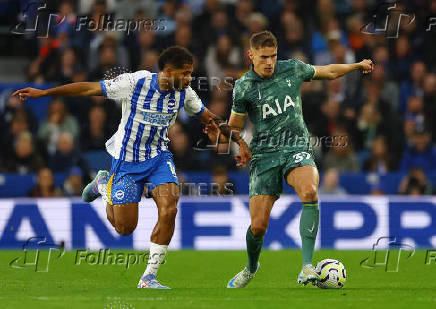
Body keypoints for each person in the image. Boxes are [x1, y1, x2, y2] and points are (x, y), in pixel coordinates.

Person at [13, 45, 251, 289]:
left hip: (159, 158)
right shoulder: (135, 82)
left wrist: (240, 142)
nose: (190, 79)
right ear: (168, 71)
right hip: (127, 161)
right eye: (186, 73)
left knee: (169, 209)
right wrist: (44, 93)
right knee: (125, 228)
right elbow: (88, 88)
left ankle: (149, 277)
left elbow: (209, 116)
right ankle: (103, 184)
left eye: (191, 73)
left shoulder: (184, 93)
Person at [208, 31, 373, 288]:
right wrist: (236, 143)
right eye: (264, 57)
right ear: (251, 55)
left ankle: (307, 266)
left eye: (273, 56)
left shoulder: (292, 69)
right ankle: (251, 268)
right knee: (259, 227)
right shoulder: (243, 87)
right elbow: (234, 126)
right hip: (264, 156)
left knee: (309, 191)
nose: (269, 62)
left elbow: (327, 71)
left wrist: (357, 65)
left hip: (296, 146)